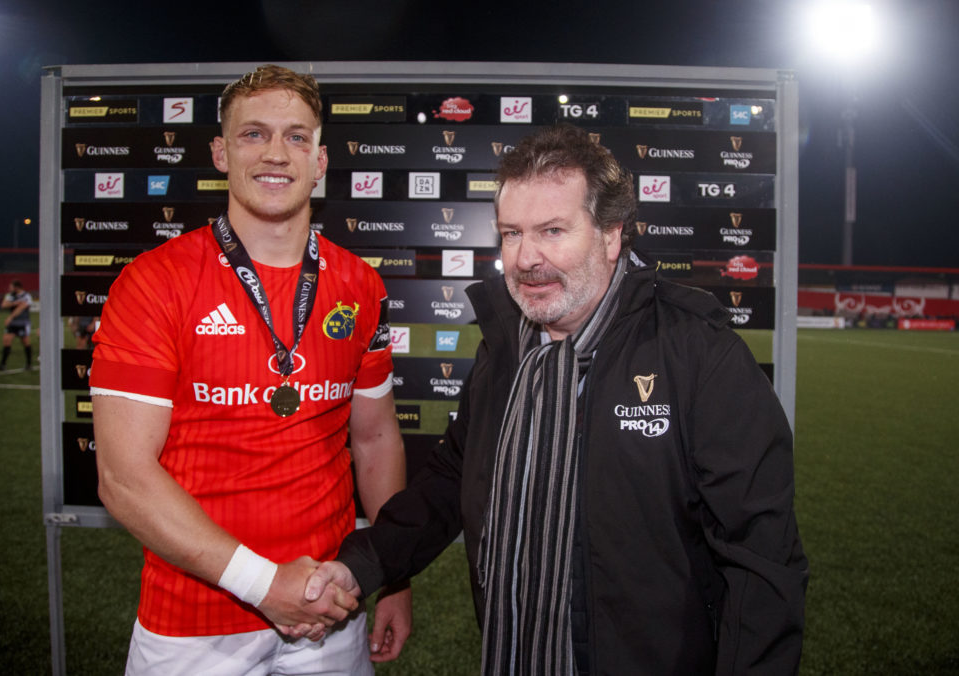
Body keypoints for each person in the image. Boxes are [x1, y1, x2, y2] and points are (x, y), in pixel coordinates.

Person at [307, 124, 809, 675]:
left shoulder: (698, 353)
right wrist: (360, 566)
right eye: (512, 233)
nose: (526, 258)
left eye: (552, 230)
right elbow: (448, 481)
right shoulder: (503, 348)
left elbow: (761, 559)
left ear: (611, 235)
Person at [90, 64, 410, 675]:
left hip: (330, 607)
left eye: (296, 137)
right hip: (193, 624)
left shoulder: (360, 285)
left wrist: (393, 573)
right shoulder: (154, 282)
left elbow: (374, 439)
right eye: (253, 134)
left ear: (320, 161)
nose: (275, 154)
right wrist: (264, 584)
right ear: (220, 153)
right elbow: (123, 477)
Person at [0, 279, 34, 370]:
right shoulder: (10, 295)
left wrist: (10, 317)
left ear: (17, 287)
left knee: (26, 342)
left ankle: (29, 364)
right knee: (6, 340)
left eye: (11, 287)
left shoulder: (26, 296)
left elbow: (22, 307)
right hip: (12, 323)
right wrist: (15, 303)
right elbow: (3, 305)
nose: (9, 289)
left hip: (23, 323)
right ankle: (3, 364)